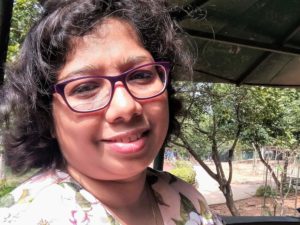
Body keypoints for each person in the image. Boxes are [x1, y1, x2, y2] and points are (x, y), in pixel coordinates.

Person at [0, 0, 223, 224]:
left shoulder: (188, 199)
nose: (126, 107)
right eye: (85, 87)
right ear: (46, 117)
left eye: (141, 75)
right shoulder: (29, 217)